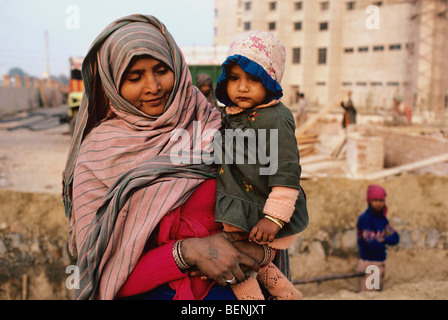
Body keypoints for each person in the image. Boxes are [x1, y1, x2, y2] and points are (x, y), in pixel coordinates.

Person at [61, 14, 269, 300]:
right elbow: (104, 276)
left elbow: (271, 199)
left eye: (162, 70)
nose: (153, 87)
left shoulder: (213, 123)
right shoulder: (97, 158)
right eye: (134, 78)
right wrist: (188, 253)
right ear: (111, 84)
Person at [214, 30, 309, 300]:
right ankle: (288, 295)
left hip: (260, 214)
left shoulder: (275, 119)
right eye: (234, 78)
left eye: (253, 79)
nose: (242, 87)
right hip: (237, 209)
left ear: (270, 79)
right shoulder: (230, 113)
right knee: (255, 265)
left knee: (238, 266)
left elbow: (286, 173)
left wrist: (273, 218)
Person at [356, 184, 400, 292]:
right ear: (369, 200)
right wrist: (384, 238)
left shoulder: (382, 219)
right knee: (369, 297)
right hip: (370, 265)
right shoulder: (365, 219)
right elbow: (372, 245)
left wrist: (383, 239)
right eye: (375, 200)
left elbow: (396, 238)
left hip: (379, 265)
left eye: (381, 200)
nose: (378, 203)